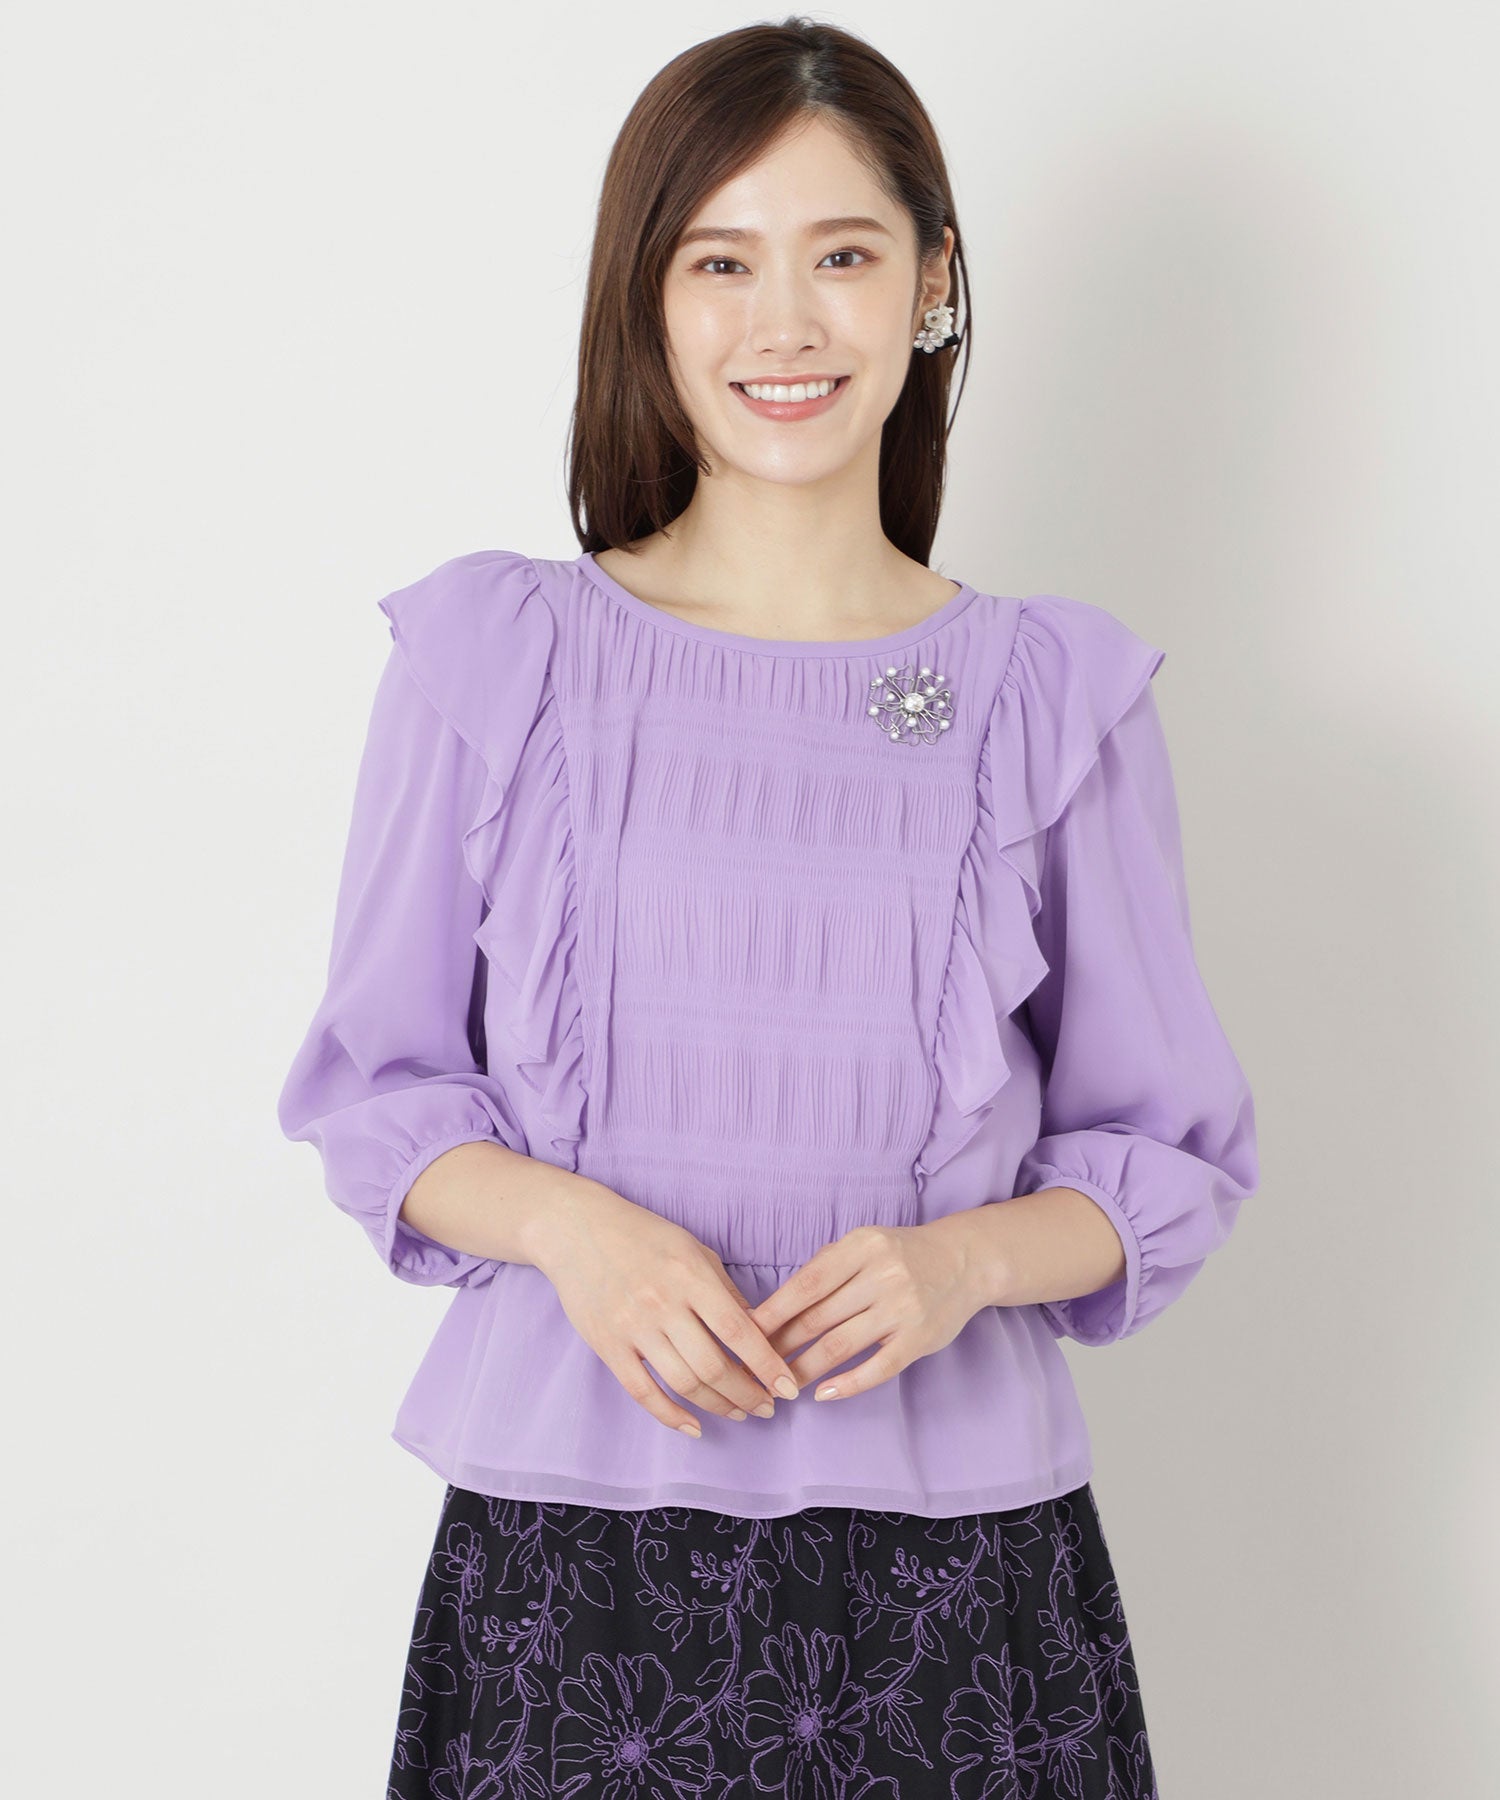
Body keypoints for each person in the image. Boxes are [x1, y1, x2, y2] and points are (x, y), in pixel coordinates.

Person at [277, 18, 1257, 1796]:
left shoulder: (1052, 698)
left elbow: (1164, 1157)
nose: (783, 323)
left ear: (932, 284)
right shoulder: (495, 658)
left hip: (963, 1581)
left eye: (843, 256)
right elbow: (379, 1100)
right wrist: (575, 1230)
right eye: (720, 263)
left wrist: (963, 1264)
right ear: (647, 300)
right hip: (571, 1571)